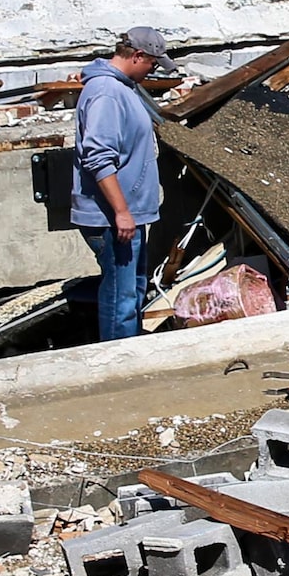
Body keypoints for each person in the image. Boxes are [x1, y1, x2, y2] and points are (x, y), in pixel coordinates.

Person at [72, 27, 172, 341]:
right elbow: (98, 157)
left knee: (132, 290)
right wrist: (121, 211)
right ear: (137, 55)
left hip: (127, 215)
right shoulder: (106, 93)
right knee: (121, 297)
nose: (152, 70)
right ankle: (118, 358)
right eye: (152, 64)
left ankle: (128, 352)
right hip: (112, 219)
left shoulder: (123, 88)